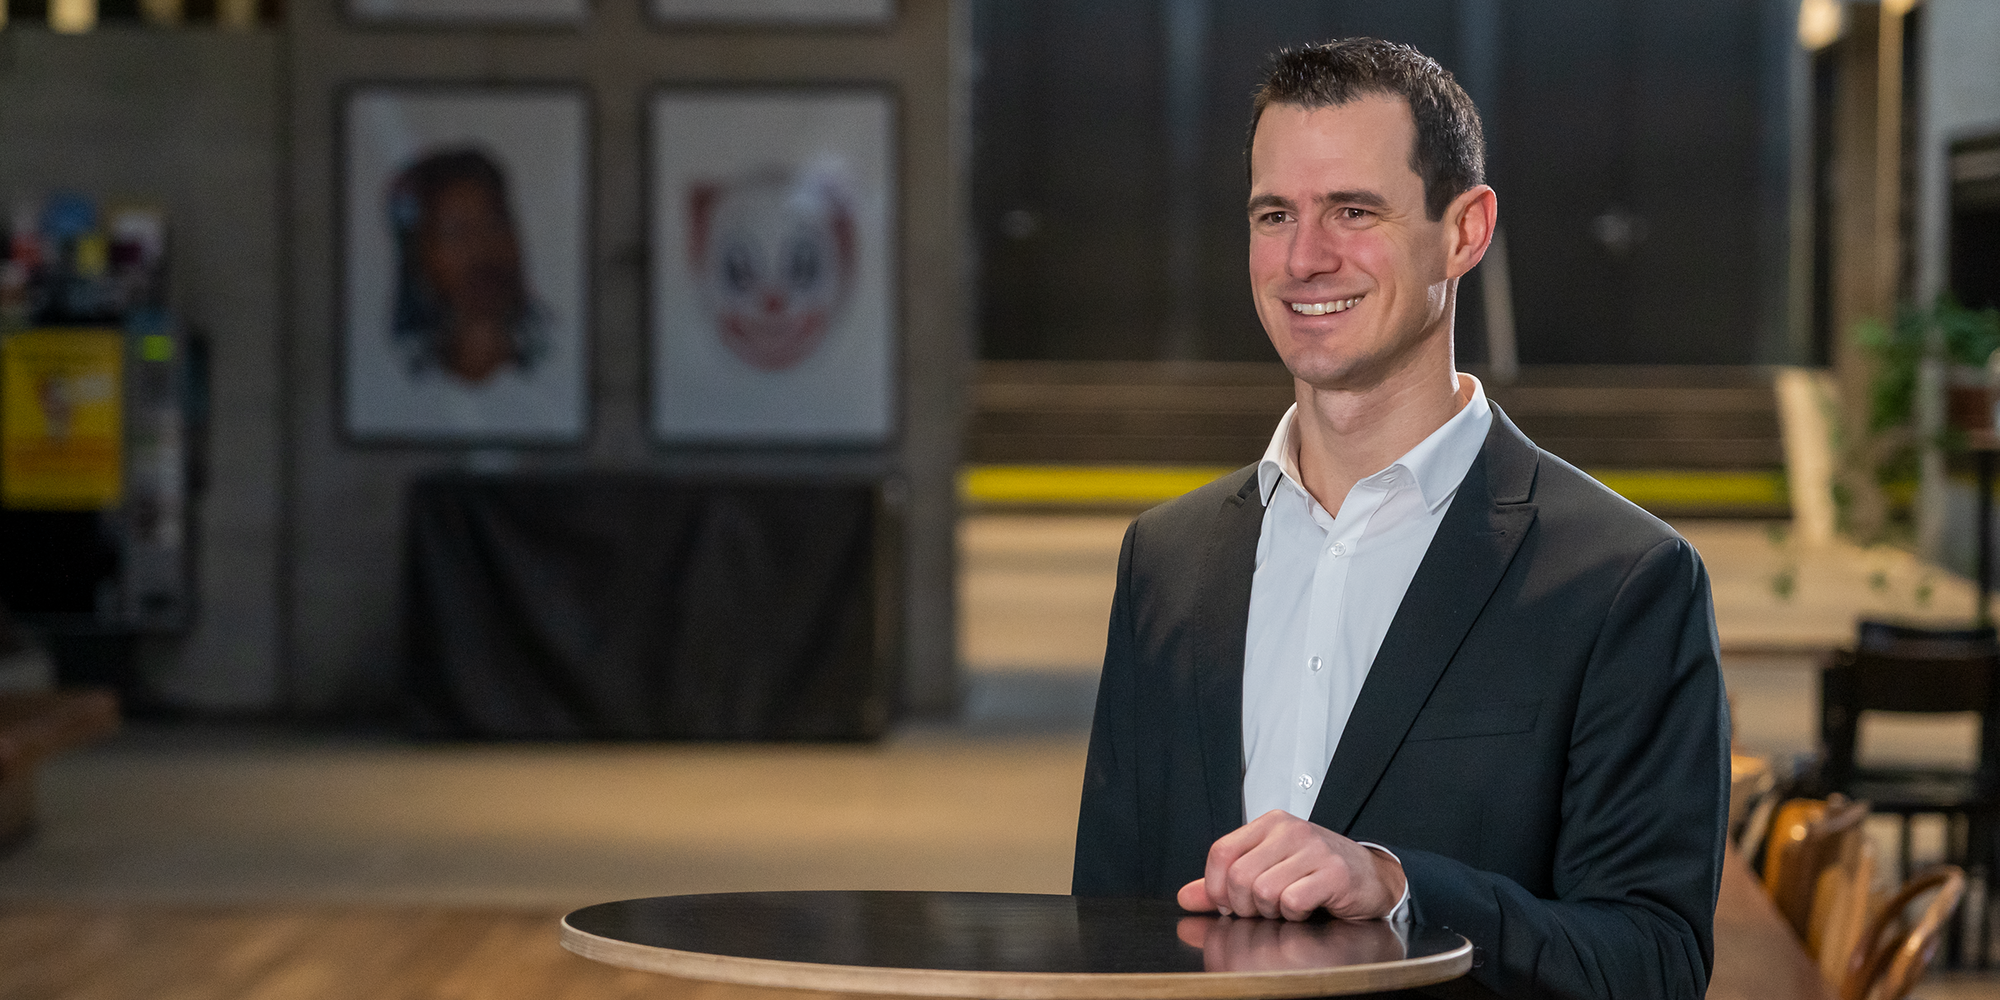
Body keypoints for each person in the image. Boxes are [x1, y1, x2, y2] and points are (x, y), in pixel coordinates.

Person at [1071, 38, 1728, 1000]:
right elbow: (1103, 929)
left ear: (1465, 231)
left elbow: (1652, 963)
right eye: (1275, 214)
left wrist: (1401, 890)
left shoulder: (1621, 580)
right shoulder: (1166, 562)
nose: (1305, 258)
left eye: (1353, 211)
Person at [387, 147, 547, 384]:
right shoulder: (402, 374)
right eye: (455, 232)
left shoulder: (547, 359)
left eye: (495, 223)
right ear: (419, 254)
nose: (482, 249)